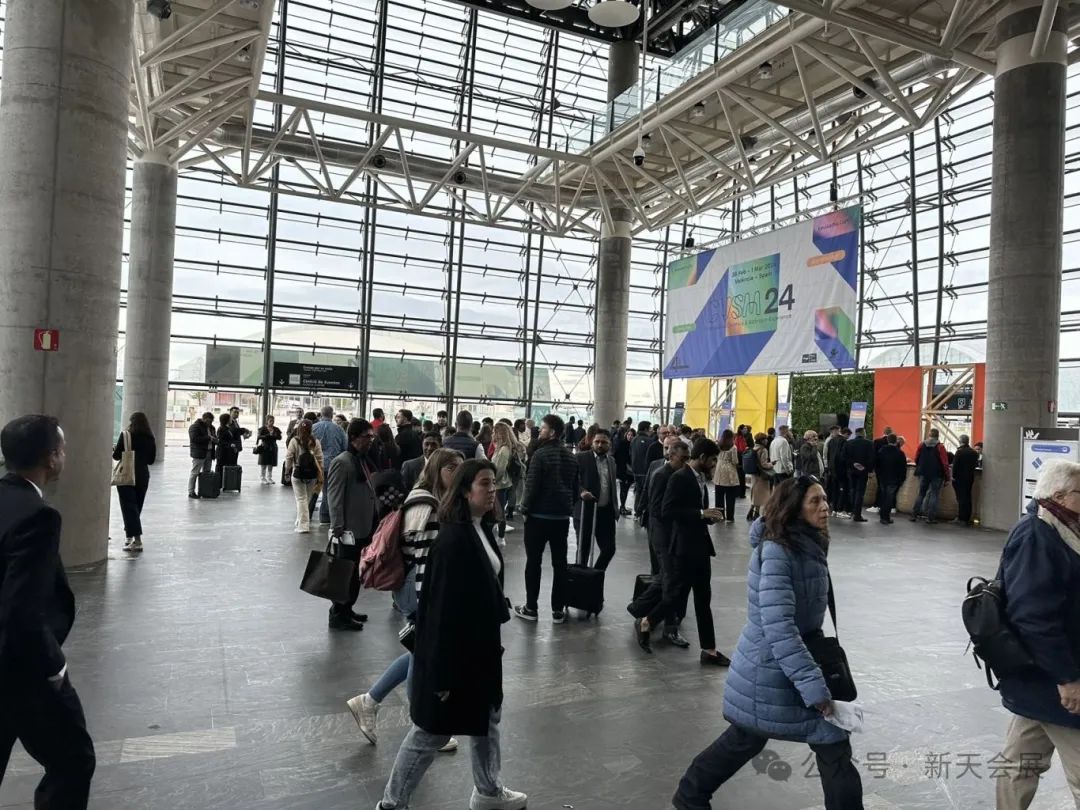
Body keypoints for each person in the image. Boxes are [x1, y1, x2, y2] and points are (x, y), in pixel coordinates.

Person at [674, 476, 864, 810]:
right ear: (793, 508)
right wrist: (813, 686)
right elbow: (779, 627)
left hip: (786, 663)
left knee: (753, 738)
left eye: (825, 499)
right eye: (815, 501)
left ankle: (690, 795)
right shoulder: (778, 551)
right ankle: (690, 795)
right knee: (803, 740)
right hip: (770, 669)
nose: (825, 507)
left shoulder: (806, 543)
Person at [375, 459, 527, 810]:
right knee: (432, 731)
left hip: (479, 649)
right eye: (484, 483)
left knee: (487, 717)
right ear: (464, 491)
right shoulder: (454, 539)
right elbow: (441, 611)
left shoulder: (479, 528)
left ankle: (488, 791)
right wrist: (441, 674)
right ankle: (392, 804)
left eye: (493, 483)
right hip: (455, 654)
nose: (492, 490)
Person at [0, 415, 96, 806]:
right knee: (73, 759)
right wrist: (54, 669)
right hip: (21, 671)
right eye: (63, 448)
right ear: (51, 458)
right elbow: (23, 609)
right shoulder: (37, 517)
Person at [347, 449, 465, 753]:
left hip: (412, 587)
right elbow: (423, 558)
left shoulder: (426, 498)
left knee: (418, 652)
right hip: (418, 588)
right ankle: (422, 725)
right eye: (452, 468)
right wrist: (429, 603)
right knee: (423, 654)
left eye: (460, 467)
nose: (458, 473)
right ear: (438, 470)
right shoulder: (428, 504)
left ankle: (369, 701)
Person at [995, 461, 1080, 809]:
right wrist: (1067, 679)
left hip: (1039, 678)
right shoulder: (1036, 534)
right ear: (1059, 496)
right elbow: (1033, 617)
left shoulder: (1061, 527)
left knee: (1019, 763)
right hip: (1052, 676)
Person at [654, 438, 731, 666]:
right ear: (703, 458)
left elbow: (697, 511)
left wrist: (708, 517)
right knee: (677, 594)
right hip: (684, 547)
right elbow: (667, 510)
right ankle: (647, 620)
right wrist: (700, 513)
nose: (715, 464)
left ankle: (709, 649)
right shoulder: (679, 477)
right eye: (713, 460)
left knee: (702, 599)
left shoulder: (700, 479)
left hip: (700, 547)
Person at [514, 414, 579, 624]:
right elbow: (575, 488)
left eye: (542, 428)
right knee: (560, 564)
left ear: (552, 432)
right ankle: (558, 610)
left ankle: (531, 608)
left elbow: (531, 487)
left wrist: (524, 509)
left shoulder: (539, 455)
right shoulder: (571, 457)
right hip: (561, 518)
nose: (539, 431)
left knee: (534, 562)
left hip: (538, 517)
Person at [628, 439, 692, 651]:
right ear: (671, 456)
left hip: (674, 536)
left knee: (668, 579)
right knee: (670, 580)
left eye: (688, 458)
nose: (686, 462)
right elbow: (656, 509)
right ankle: (650, 618)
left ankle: (642, 611)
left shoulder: (680, 474)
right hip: (664, 536)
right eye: (683, 458)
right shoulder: (661, 474)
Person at [325, 419, 378, 632]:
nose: (371, 440)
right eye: (367, 437)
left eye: (372, 437)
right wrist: (337, 526)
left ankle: (347, 609)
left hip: (362, 528)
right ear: (354, 438)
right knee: (344, 574)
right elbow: (334, 497)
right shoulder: (342, 462)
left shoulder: (361, 460)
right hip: (348, 531)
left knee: (354, 573)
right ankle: (338, 615)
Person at [112, 412, 157, 552]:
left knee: (129, 507)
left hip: (126, 474)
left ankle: (137, 540)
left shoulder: (126, 435)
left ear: (132, 422)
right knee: (136, 508)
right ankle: (129, 536)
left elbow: (116, 456)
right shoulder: (150, 437)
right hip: (143, 475)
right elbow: (151, 460)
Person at [575, 429, 619, 571]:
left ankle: (595, 576)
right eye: (597, 442)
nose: (600, 445)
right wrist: (581, 491)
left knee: (609, 549)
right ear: (591, 442)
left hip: (606, 512)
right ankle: (581, 579)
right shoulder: (580, 458)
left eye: (604, 442)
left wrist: (615, 508)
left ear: (609, 444)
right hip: (585, 511)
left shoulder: (611, 461)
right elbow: (572, 480)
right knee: (583, 550)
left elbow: (611, 486)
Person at [284, 419, 323, 535]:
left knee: (301, 499)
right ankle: (300, 519)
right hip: (312, 475)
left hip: (298, 473)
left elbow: (289, 457)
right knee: (307, 498)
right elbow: (320, 458)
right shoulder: (315, 442)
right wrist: (320, 472)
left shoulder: (294, 441)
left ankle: (303, 525)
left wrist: (287, 470)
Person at [911, 428, 951, 524]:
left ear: (929, 435)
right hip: (937, 474)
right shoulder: (940, 447)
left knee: (921, 494)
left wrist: (920, 466)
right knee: (934, 495)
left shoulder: (921, 444)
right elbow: (945, 463)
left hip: (923, 473)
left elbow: (916, 458)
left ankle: (914, 515)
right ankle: (930, 518)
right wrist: (947, 477)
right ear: (938, 436)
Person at [876, 434, 908, 525]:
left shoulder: (881, 450)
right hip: (894, 478)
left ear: (887, 440)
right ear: (896, 441)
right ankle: (886, 517)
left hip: (883, 477)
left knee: (883, 496)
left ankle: (882, 516)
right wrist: (902, 479)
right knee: (889, 498)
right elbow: (903, 468)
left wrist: (879, 475)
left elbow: (877, 464)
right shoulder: (900, 453)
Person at [844, 427, 875, 522]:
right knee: (860, 492)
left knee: (852, 490)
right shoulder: (869, 443)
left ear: (856, 433)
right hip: (863, 471)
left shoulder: (848, 443)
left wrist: (853, 464)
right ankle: (857, 514)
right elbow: (872, 458)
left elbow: (844, 457)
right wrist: (868, 469)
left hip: (851, 471)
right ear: (863, 433)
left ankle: (852, 511)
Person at [711, 429, 740, 525]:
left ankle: (720, 516)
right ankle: (730, 517)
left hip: (719, 470)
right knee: (730, 497)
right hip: (729, 472)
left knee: (719, 496)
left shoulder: (718, 445)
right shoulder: (733, 447)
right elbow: (735, 461)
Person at [952, 434, 979, 525]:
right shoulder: (974, 453)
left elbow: (955, 466)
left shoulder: (959, 452)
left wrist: (953, 476)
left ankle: (961, 517)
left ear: (960, 441)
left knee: (960, 498)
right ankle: (966, 518)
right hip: (969, 478)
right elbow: (975, 465)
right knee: (967, 497)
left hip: (959, 479)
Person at [630, 422, 656, 518]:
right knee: (645, 492)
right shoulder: (650, 441)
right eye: (649, 428)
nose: (651, 430)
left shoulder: (634, 440)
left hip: (635, 470)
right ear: (645, 429)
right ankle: (642, 512)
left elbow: (631, 454)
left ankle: (637, 511)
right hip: (646, 471)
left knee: (638, 491)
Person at [187, 411, 215, 498]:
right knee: (195, 473)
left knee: (206, 473)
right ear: (204, 419)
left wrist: (215, 440)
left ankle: (205, 491)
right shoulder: (195, 427)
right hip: (199, 453)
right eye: (208, 421)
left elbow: (214, 437)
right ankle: (191, 491)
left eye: (211, 421)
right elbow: (194, 439)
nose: (210, 423)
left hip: (209, 452)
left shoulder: (212, 428)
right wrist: (208, 438)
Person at [748, 432, 774, 523]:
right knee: (761, 494)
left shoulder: (754, 448)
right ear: (762, 440)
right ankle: (756, 513)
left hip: (754, 474)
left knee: (755, 493)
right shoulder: (763, 450)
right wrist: (771, 464)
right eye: (765, 439)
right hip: (762, 475)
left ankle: (751, 510)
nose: (766, 440)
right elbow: (764, 464)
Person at [823, 425, 846, 516]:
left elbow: (827, 455)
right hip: (840, 470)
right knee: (841, 489)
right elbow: (843, 456)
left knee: (834, 489)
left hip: (832, 469)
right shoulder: (842, 441)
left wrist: (828, 467)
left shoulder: (830, 441)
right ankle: (839, 510)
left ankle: (834, 510)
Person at [255, 415, 282, 485]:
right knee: (263, 463)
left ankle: (269, 478)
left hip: (273, 447)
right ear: (267, 421)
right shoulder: (262, 428)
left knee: (271, 463)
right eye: (270, 421)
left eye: (273, 421)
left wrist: (275, 436)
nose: (272, 422)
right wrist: (267, 436)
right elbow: (259, 436)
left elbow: (280, 437)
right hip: (264, 447)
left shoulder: (276, 429)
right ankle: (263, 478)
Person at [734, 425, 750, 499]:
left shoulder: (740, 437)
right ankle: (740, 493)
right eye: (744, 429)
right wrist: (746, 449)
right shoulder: (740, 438)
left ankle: (738, 492)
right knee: (741, 476)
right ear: (741, 430)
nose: (746, 430)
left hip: (740, 457)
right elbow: (740, 449)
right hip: (740, 458)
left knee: (739, 476)